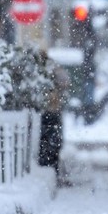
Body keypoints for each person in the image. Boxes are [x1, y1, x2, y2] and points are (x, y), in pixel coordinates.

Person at [38, 50, 71, 187]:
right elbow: (65, 82)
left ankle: (51, 168)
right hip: (52, 111)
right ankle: (53, 169)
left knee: (48, 142)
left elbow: (65, 82)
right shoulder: (53, 69)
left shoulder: (42, 71)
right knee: (53, 143)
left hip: (47, 111)